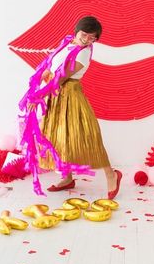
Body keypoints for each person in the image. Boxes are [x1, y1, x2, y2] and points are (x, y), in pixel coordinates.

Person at [39, 16, 122, 199]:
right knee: (59, 137)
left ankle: (111, 174)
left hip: (71, 96)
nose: (87, 40)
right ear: (76, 30)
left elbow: (60, 78)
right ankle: (67, 178)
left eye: (92, 38)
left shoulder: (83, 52)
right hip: (57, 96)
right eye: (84, 34)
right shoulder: (67, 44)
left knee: (89, 138)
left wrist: (37, 96)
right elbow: (52, 68)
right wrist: (45, 73)